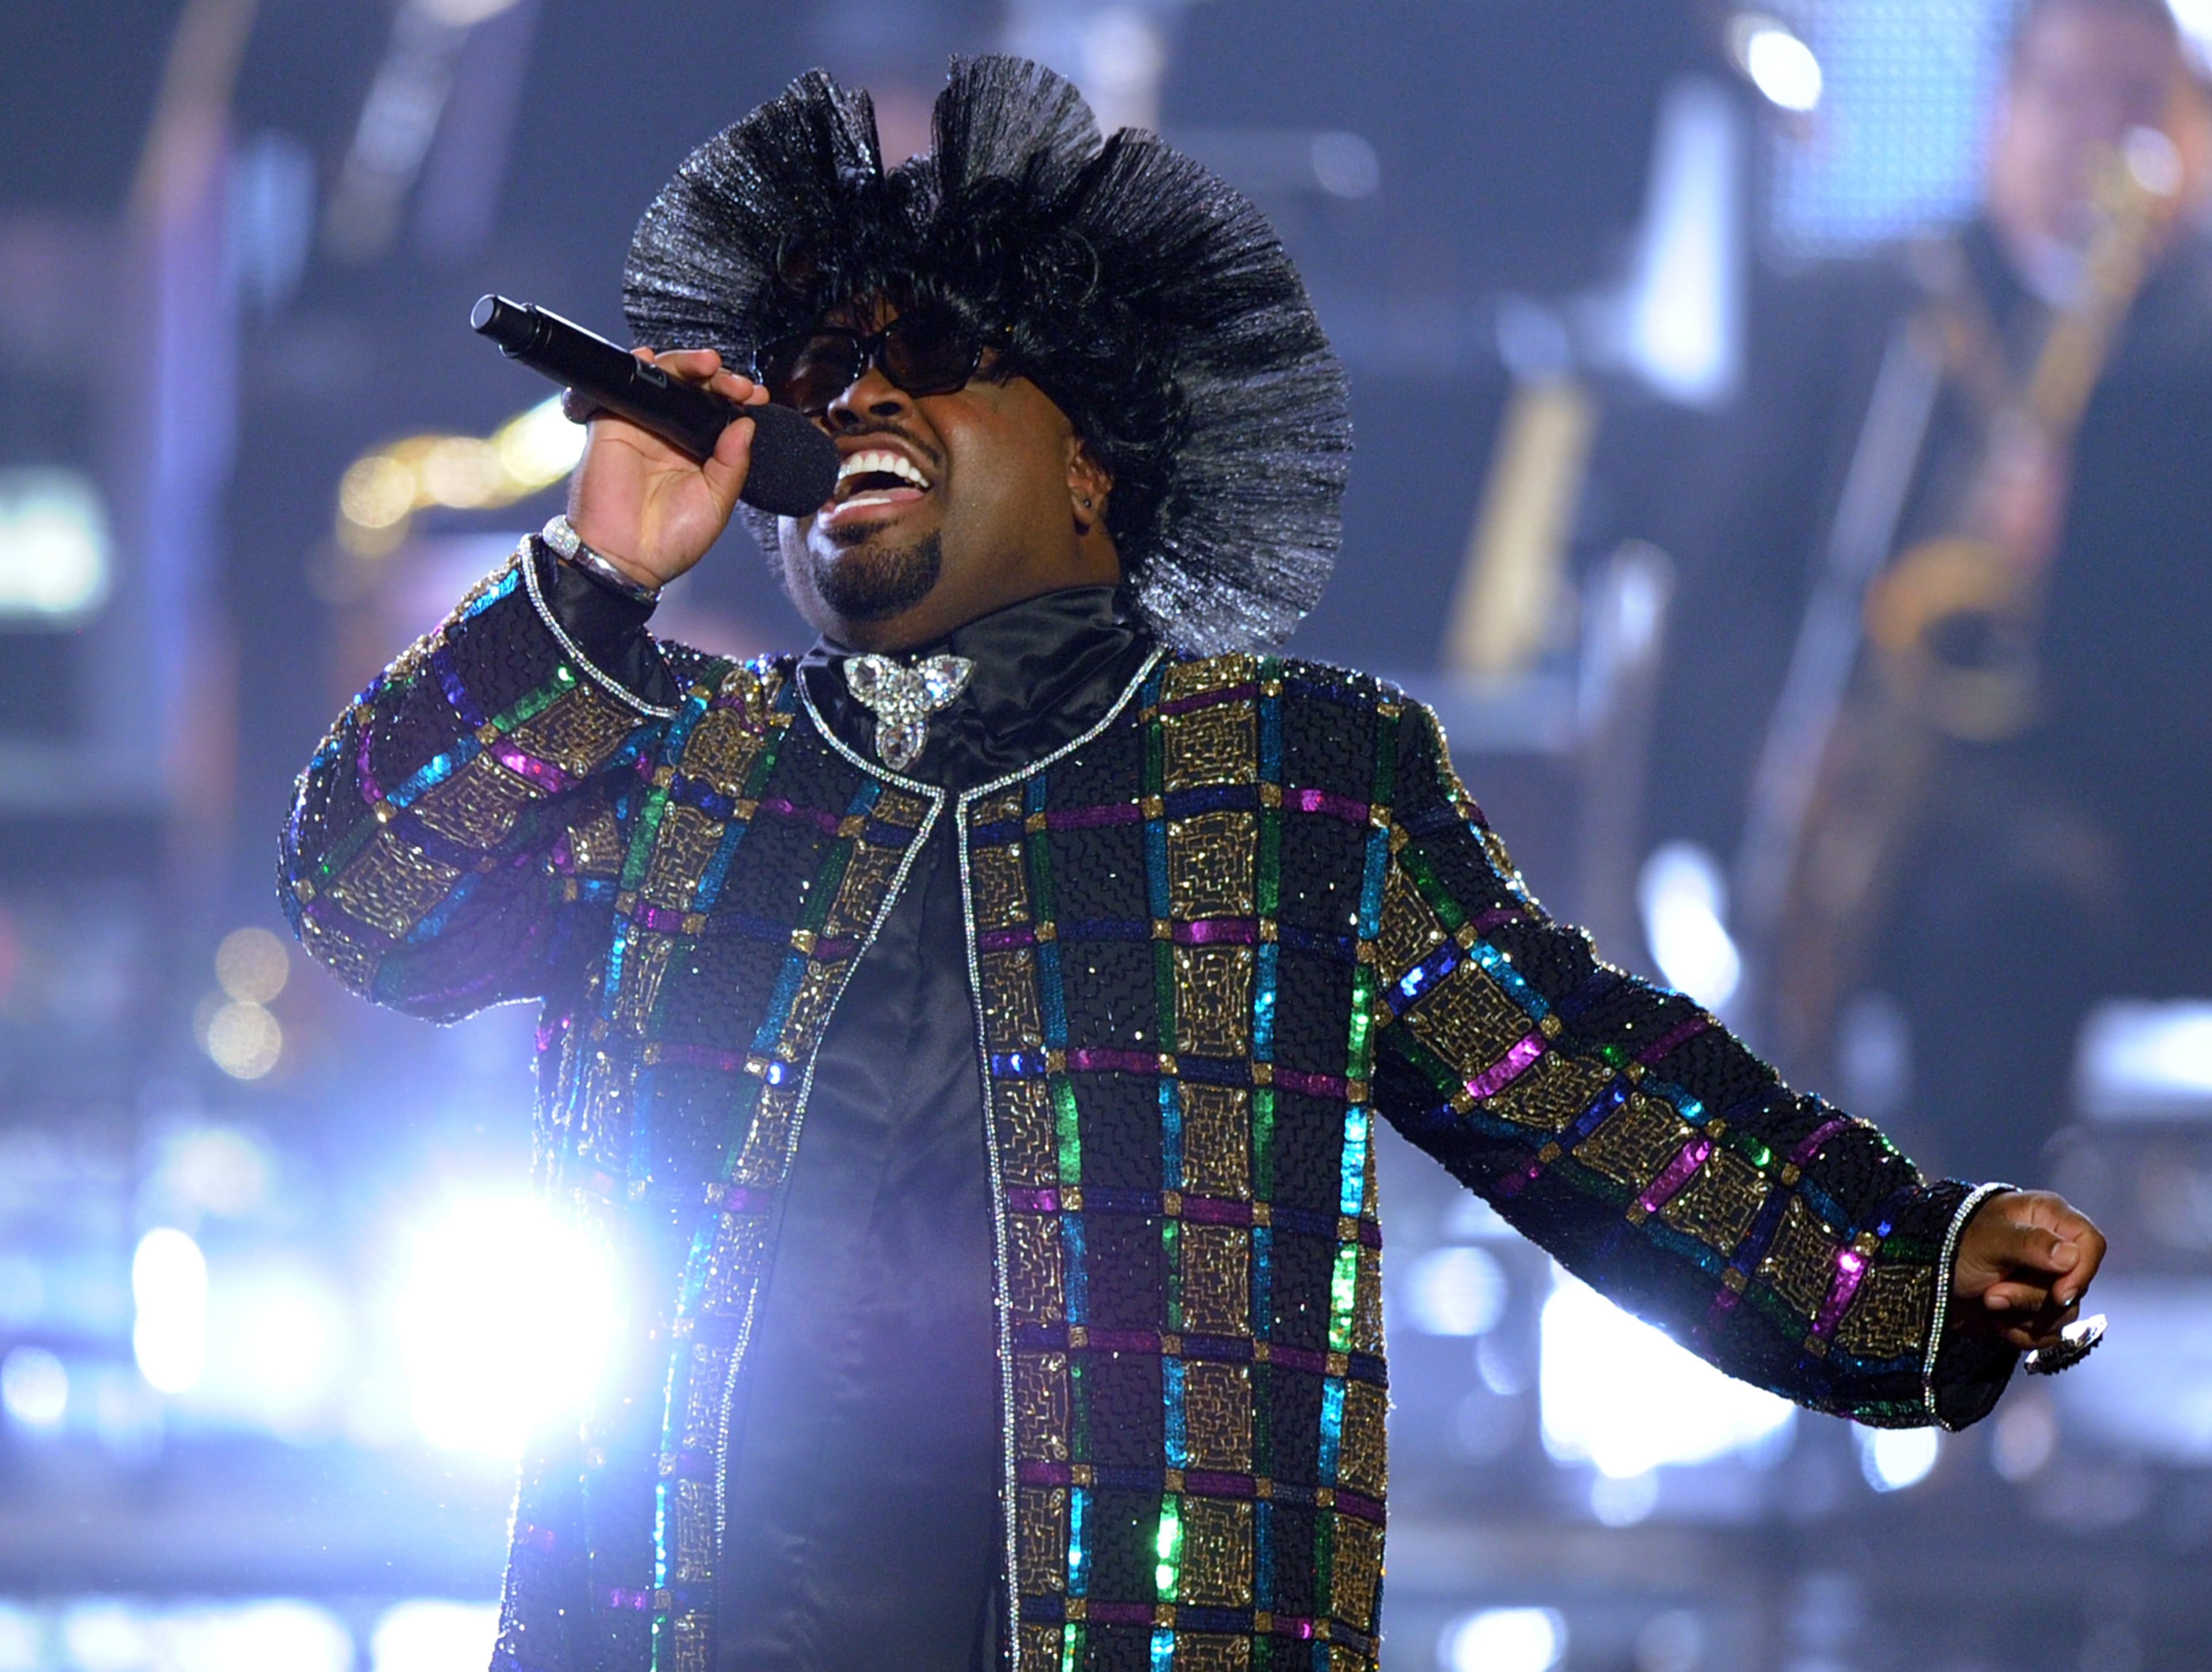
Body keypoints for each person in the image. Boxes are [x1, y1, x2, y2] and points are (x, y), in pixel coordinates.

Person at [280, 58, 2105, 1672]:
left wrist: (1915, 1265)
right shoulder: (683, 758)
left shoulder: (1293, 782)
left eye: (927, 365)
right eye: (826, 377)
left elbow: (1600, 1098)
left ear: (1094, 465)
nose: (853, 407)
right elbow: (363, 890)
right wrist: (594, 581)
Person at [1639, 0, 2212, 1185]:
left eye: (2138, 103)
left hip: (2125, 782)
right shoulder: (1870, 310)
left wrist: (2083, 541)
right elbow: (1720, 577)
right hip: (1869, 780)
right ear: (2002, 109)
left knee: (2024, 897)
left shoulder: (2190, 354)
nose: (2099, 138)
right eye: (2067, 97)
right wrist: (1775, 749)